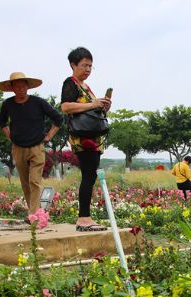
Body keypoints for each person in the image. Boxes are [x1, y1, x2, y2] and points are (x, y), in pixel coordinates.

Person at [0, 72, 63, 214]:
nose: (20, 89)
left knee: (34, 181)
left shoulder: (38, 102)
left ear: (27, 86)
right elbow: (2, 122)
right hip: (18, 148)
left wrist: (49, 137)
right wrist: (10, 136)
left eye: (23, 86)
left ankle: (33, 215)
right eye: (17, 87)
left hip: (37, 147)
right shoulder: (8, 104)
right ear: (12, 88)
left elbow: (58, 119)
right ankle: (34, 212)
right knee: (25, 183)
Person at [60, 47, 110, 231]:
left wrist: (103, 107)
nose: (87, 69)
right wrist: (93, 103)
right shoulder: (70, 83)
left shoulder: (86, 87)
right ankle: (83, 218)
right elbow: (65, 107)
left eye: (90, 66)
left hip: (92, 136)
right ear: (73, 65)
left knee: (91, 174)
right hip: (83, 138)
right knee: (88, 175)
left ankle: (85, 216)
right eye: (84, 65)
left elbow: (91, 110)